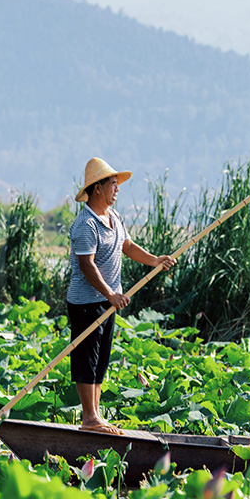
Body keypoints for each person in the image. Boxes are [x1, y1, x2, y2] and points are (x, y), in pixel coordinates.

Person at [67, 157, 175, 434]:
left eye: (117, 184)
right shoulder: (86, 224)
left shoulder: (113, 217)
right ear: (98, 188)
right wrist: (110, 294)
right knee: (86, 357)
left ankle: (96, 416)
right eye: (113, 184)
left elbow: (126, 245)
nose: (117, 189)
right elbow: (86, 265)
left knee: (102, 357)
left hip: (107, 299)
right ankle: (89, 418)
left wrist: (154, 260)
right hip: (86, 301)